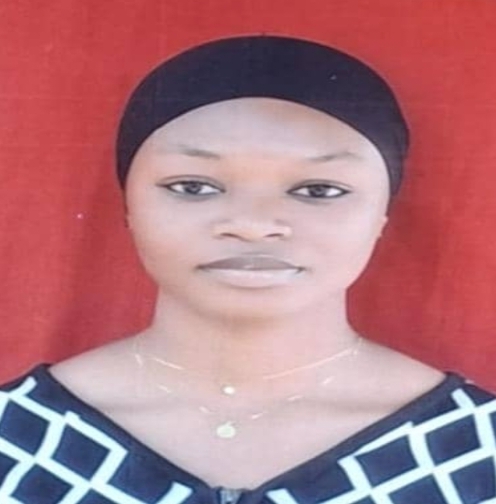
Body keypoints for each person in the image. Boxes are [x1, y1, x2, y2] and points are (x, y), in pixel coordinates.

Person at [0, 35, 494, 504]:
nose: (253, 225)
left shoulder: (476, 449)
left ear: (382, 213)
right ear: (128, 204)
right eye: (193, 187)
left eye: (318, 190)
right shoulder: (16, 435)